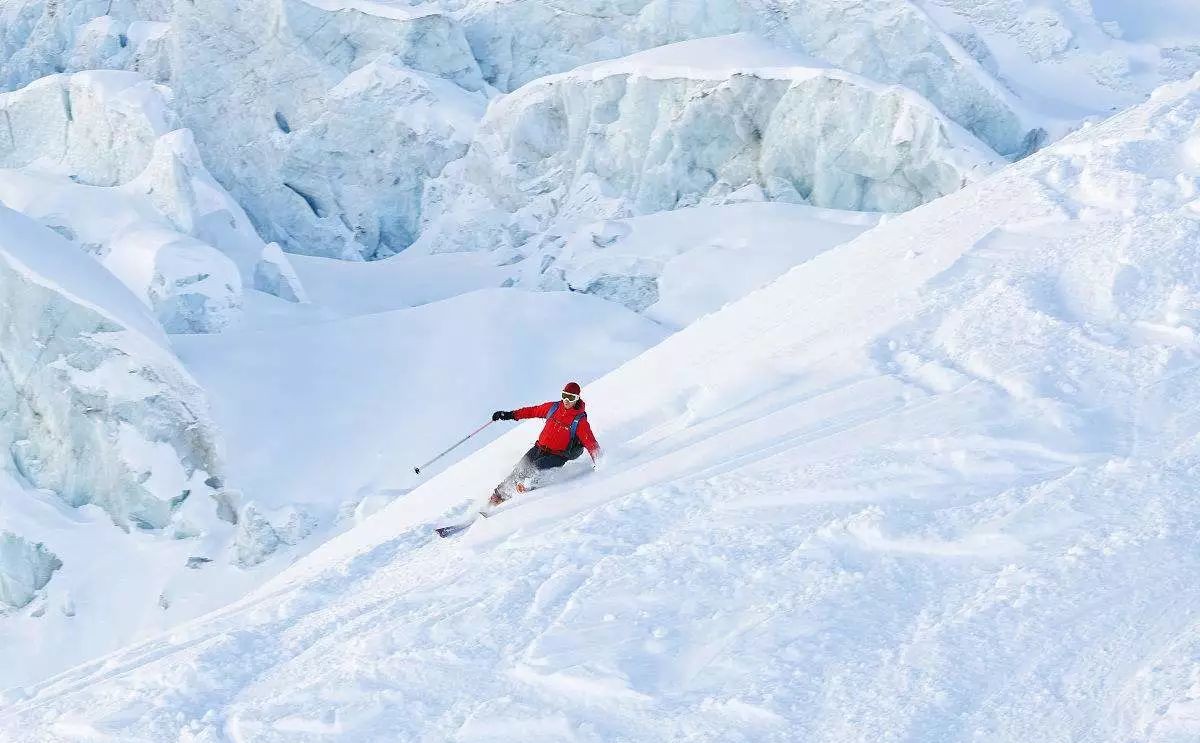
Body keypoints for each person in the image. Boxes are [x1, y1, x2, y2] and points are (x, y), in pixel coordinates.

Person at [489, 382, 601, 506]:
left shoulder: (580, 421)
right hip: (539, 448)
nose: (566, 400)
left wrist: (601, 463)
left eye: (571, 398)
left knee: (535, 468)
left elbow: (591, 443)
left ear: (577, 398)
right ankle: (498, 496)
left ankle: (526, 490)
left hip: (557, 456)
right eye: (564, 395)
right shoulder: (553, 408)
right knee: (519, 469)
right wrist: (509, 415)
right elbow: (532, 411)